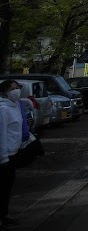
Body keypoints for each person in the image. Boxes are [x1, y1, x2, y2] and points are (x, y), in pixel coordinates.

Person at [0, 80, 24, 228]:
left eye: (17, 88)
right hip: (4, 156)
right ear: (5, 92)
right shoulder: (3, 109)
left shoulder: (15, 106)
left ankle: (4, 214)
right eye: (12, 89)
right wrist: (2, 157)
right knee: (2, 188)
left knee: (7, 188)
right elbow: (1, 135)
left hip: (13, 154)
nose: (16, 91)